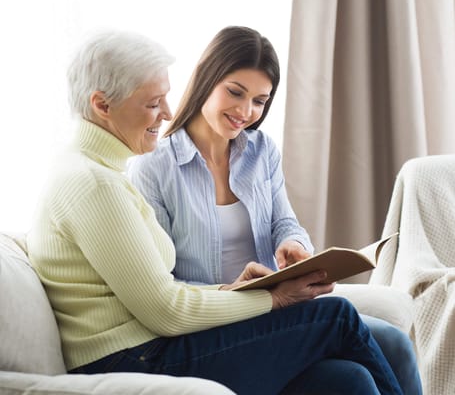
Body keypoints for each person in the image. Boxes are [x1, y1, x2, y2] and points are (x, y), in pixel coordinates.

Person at [26, 29, 403, 395]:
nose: (167, 113)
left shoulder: (102, 171)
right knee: (337, 317)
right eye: (153, 103)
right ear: (102, 105)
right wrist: (273, 298)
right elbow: (166, 310)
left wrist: (238, 286)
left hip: (150, 345)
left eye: (165, 99)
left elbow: (157, 292)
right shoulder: (97, 183)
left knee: (348, 381)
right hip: (135, 356)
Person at [128, 26, 422, 394]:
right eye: (235, 93)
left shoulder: (259, 150)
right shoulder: (154, 166)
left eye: (259, 101)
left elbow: (284, 221)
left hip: (272, 312)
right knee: (357, 335)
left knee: (365, 369)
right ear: (207, 79)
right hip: (215, 324)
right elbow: (157, 286)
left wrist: (293, 245)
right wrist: (230, 293)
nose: (244, 111)